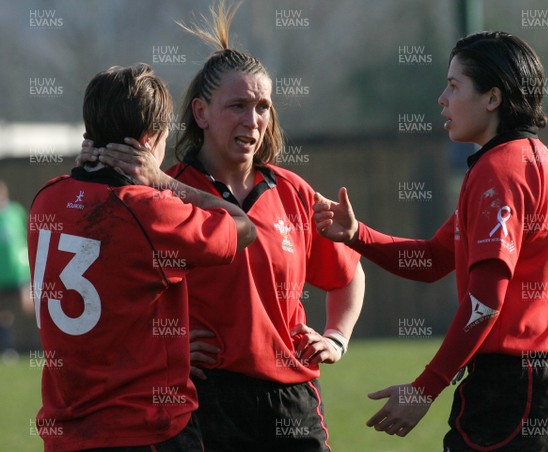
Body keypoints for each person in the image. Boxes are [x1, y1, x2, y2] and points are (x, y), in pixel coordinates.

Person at [82, 2, 365, 451]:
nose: (252, 120)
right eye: (237, 105)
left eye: (262, 107)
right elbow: (112, 297)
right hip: (204, 396)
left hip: (290, 400)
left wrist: (336, 338)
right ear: (201, 113)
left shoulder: (293, 191)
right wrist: (165, 347)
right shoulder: (165, 192)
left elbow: (349, 274)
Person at [314, 31, 548, 451]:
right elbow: (434, 259)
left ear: (493, 98)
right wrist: (356, 235)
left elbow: (485, 301)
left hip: (513, 392)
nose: (442, 98)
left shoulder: (501, 169)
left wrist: (424, 389)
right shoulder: (533, 159)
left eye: (454, 85)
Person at [29, 63, 256, 451]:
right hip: (145, 431)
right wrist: (163, 180)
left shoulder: (47, 198)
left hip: (66, 433)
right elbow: (243, 226)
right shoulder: (150, 211)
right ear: (150, 140)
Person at [0, 180, 31, 358]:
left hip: (19, 271)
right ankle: (9, 349)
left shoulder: (15, 211)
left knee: (30, 307)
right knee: (4, 313)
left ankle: (46, 345)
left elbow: (27, 234)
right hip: (1, 273)